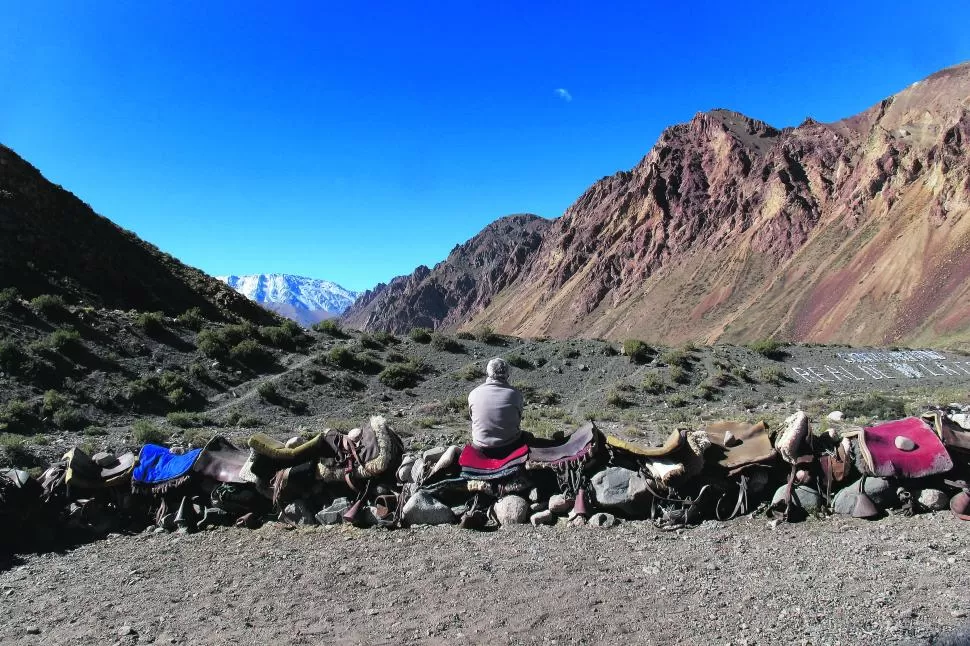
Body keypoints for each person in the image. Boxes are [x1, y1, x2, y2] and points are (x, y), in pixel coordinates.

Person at [467, 357, 524, 450]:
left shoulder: (473, 393)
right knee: (527, 436)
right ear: (507, 375)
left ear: (488, 373)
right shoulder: (515, 394)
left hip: (480, 446)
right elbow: (518, 418)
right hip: (509, 446)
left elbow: (472, 417)